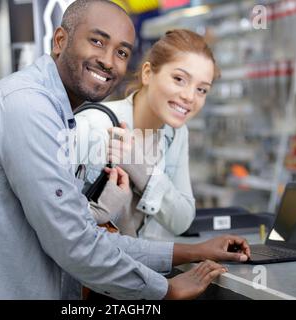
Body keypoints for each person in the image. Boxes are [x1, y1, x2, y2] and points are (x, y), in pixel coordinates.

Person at [0, 0, 250, 300]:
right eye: (97, 42)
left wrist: (190, 251)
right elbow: (73, 241)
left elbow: (85, 234)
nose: (109, 61)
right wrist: (164, 290)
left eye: (121, 52)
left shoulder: (59, 116)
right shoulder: (26, 106)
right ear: (60, 40)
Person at [75, 29, 219, 239]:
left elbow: (182, 220)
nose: (190, 96)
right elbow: (54, 219)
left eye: (202, 90)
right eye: (179, 79)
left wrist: (141, 169)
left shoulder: (176, 134)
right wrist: (97, 213)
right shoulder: (95, 125)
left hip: (141, 266)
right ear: (147, 74)